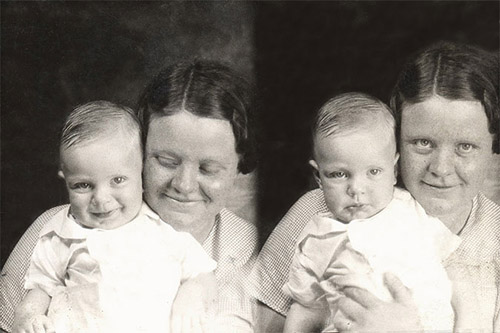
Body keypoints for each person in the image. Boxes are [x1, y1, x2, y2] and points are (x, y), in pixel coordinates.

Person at [253, 41, 500, 332]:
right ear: (395, 141)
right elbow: (259, 322)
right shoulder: (318, 210)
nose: (441, 169)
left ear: (493, 147)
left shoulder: (494, 238)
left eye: (466, 147)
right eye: (422, 143)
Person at [1, 61, 259, 333]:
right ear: (138, 153)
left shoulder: (253, 250)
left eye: (209, 168)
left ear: (240, 166)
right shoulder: (58, 230)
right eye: (166, 161)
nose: (184, 185)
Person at [12, 101, 217, 333]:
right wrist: (29, 316)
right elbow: (40, 289)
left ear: (141, 173)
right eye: (83, 185)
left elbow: (203, 273)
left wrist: (190, 299)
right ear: (65, 179)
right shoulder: (60, 235)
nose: (100, 198)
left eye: (117, 180)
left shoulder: (160, 230)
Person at [282, 92, 461, 332]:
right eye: (339, 174)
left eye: (374, 172)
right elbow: (305, 308)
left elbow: (453, 269)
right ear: (319, 177)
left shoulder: (411, 211)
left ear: (394, 170)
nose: (356, 189)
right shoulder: (317, 238)